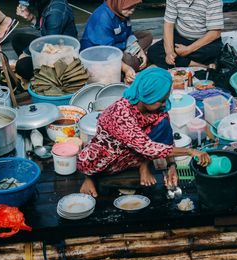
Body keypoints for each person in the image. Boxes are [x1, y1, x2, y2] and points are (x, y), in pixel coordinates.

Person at [77, 67, 210, 197]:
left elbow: (166, 138)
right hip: (109, 155)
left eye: (165, 99)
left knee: (163, 122)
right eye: (161, 100)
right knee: (89, 163)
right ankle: (89, 179)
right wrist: (190, 151)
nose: (164, 104)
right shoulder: (121, 115)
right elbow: (148, 147)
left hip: (135, 153)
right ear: (148, 96)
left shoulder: (154, 109)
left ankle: (143, 165)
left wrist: (171, 166)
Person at [80, 0, 153, 84]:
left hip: (119, 44)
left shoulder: (121, 11)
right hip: (101, 55)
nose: (132, 10)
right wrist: (126, 68)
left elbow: (128, 33)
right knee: (128, 61)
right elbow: (107, 52)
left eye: (134, 6)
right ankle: (127, 67)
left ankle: (134, 59)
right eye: (129, 7)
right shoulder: (102, 17)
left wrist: (139, 49)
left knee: (147, 35)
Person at [12, 0, 78, 81]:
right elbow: (45, 27)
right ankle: (33, 70)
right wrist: (30, 17)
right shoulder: (46, 3)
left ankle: (45, 78)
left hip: (62, 56)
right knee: (17, 39)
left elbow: (50, 42)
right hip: (53, 45)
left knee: (22, 66)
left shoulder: (56, 12)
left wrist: (26, 53)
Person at [147, 0, 224, 69]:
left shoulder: (213, 1)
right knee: (153, 52)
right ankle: (200, 65)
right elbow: (168, 24)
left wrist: (188, 49)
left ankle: (182, 61)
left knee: (214, 51)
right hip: (181, 37)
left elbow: (215, 33)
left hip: (204, 41)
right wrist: (169, 52)